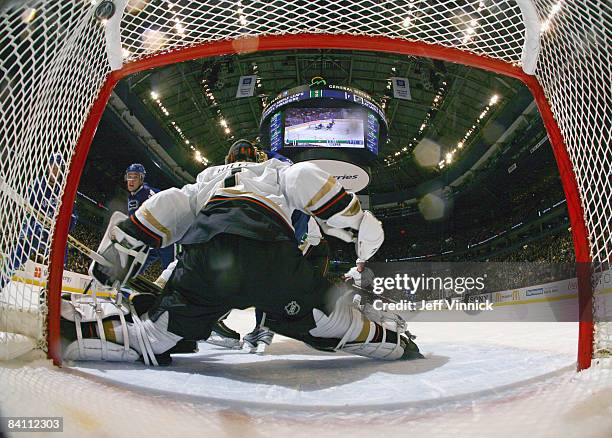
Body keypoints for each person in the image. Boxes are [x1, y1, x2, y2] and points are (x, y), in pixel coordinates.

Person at [60, 140, 421, 365]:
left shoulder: (208, 178)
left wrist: (126, 246)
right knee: (329, 319)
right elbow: (307, 179)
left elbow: (170, 204)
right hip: (269, 257)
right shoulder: (274, 169)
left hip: (206, 258)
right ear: (258, 155)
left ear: (228, 157)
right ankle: (391, 342)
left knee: (154, 334)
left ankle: (71, 331)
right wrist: (355, 217)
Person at [0, 153, 77, 290]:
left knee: (61, 254)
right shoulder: (38, 183)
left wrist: (65, 227)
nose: (55, 170)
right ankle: (1, 282)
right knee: (16, 256)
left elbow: (73, 218)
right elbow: (30, 207)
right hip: (33, 228)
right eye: (53, 166)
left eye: (58, 168)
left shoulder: (64, 192)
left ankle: (50, 292)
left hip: (51, 234)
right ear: (48, 167)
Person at [124, 163, 174, 274]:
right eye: (129, 176)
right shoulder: (149, 190)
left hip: (165, 236)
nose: (131, 180)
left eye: (135, 177)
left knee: (170, 269)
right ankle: (128, 284)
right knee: (137, 266)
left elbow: (134, 223)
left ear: (141, 179)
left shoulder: (139, 195)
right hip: (156, 238)